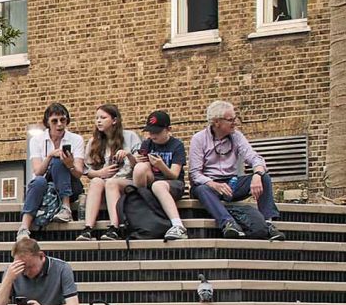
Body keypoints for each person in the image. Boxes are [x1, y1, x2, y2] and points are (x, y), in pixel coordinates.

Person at [189, 101, 280, 235]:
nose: (234, 123)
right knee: (201, 189)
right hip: (209, 184)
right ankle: (227, 223)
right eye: (230, 120)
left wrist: (257, 174)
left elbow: (254, 157)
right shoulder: (199, 139)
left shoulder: (237, 136)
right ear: (216, 122)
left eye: (235, 118)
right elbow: (195, 174)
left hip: (232, 183)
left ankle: (268, 222)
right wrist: (213, 184)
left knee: (264, 177)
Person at [18, 103, 85, 235]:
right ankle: (24, 227)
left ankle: (66, 208)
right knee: (38, 181)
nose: (59, 124)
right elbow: (38, 172)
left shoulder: (76, 139)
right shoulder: (37, 140)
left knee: (59, 161)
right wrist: (49, 156)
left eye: (63, 120)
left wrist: (69, 164)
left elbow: (78, 173)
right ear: (48, 123)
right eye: (55, 121)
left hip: (70, 185)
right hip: (45, 184)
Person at [131, 110, 189, 240]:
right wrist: (136, 159)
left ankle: (178, 225)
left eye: (156, 132)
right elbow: (140, 168)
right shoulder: (147, 143)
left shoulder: (176, 145)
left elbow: (174, 175)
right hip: (152, 181)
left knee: (158, 186)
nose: (152, 135)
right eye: (150, 132)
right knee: (140, 168)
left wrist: (161, 165)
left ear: (168, 129)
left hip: (173, 184)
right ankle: (140, 210)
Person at [80, 103, 133, 237]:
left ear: (114, 120)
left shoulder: (130, 136)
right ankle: (87, 229)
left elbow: (139, 164)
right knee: (96, 181)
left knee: (111, 183)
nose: (98, 121)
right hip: (103, 183)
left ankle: (114, 227)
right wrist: (99, 173)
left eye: (103, 117)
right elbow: (86, 170)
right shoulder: (94, 141)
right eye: (97, 118)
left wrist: (127, 154)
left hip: (126, 181)